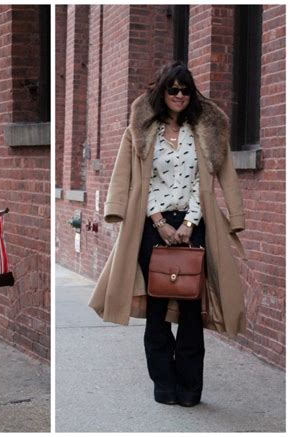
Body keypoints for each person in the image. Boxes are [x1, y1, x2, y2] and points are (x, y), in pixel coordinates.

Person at [89, 62, 246, 407]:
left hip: (194, 223)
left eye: (185, 90)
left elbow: (211, 181)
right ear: (162, 92)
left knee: (191, 309)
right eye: (173, 89)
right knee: (158, 307)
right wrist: (159, 221)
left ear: (192, 95)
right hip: (150, 225)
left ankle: (190, 389)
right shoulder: (142, 130)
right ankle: (164, 385)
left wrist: (190, 224)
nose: (179, 95)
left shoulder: (205, 130)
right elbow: (128, 178)